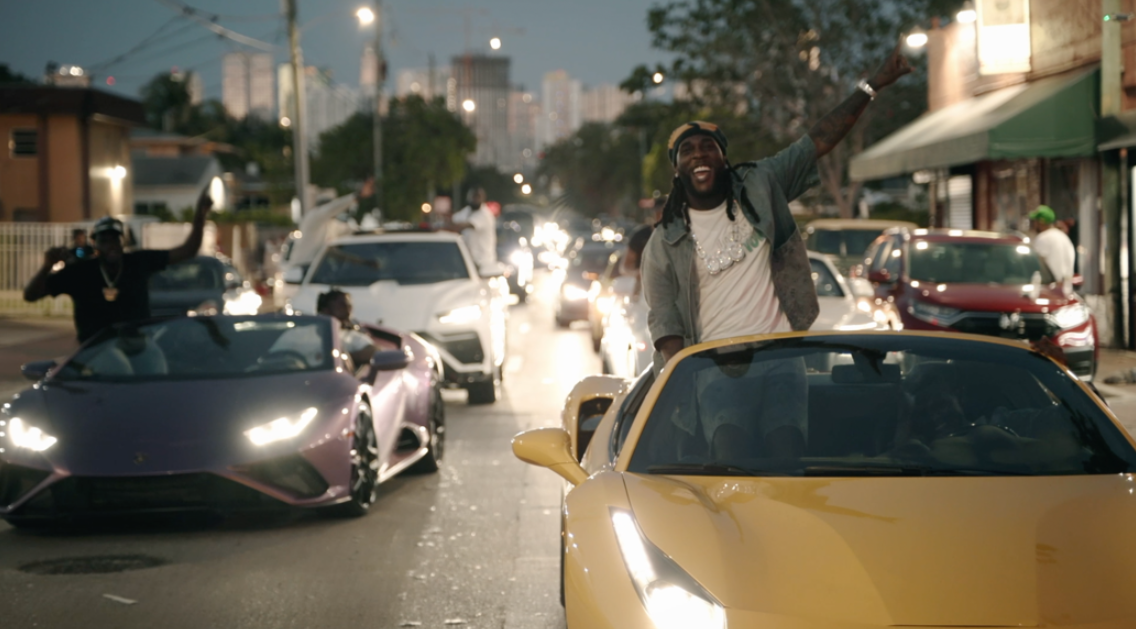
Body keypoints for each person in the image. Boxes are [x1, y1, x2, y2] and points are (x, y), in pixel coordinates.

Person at [641, 42, 912, 457]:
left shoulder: (761, 185)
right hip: (716, 366)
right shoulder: (664, 242)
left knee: (788, 455)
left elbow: (816, 141)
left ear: (723, 158)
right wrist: (685, 380)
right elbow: (665, 321)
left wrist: (872, 85)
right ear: (677, 169)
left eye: (708, 146)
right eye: (687, 150)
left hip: (781, 357)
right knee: (730, 456)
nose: (699, 154)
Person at [24, 189, 213, 343]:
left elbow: (187, 250)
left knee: (159, 367)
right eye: (104, 240)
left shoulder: (138, 262)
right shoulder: (81, 272)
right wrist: (46, 266)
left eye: (115, 239)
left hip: (138, 345)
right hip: (95, 350)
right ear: (95, 244)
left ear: (122, 242)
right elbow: (30, 295)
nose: (111, 245)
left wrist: (200, 215)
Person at [317, 288, 376, 370]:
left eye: (349, 306)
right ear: (325, 309)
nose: (347, 310)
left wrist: (340, 358)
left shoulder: (352, 337)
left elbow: (373, 351)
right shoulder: (303, 332)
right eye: (342, 305)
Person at [445, 188, 497, 273]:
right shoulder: (467, 210)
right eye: (473, 196)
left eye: (478, 196)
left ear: (483, 198)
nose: (475, 199)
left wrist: (445, 226)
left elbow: (465, 225)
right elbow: (454, 220)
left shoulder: (485, 214)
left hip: (483, 262)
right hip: (470, 261)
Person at [1029, 205, 1075, 284]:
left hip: (1049, 285)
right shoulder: (1064, 237)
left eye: (1035, 221)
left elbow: (1034, 265)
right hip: (1066, 286)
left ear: (1041, 222)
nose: (1034, 224)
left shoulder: (1043, 238)